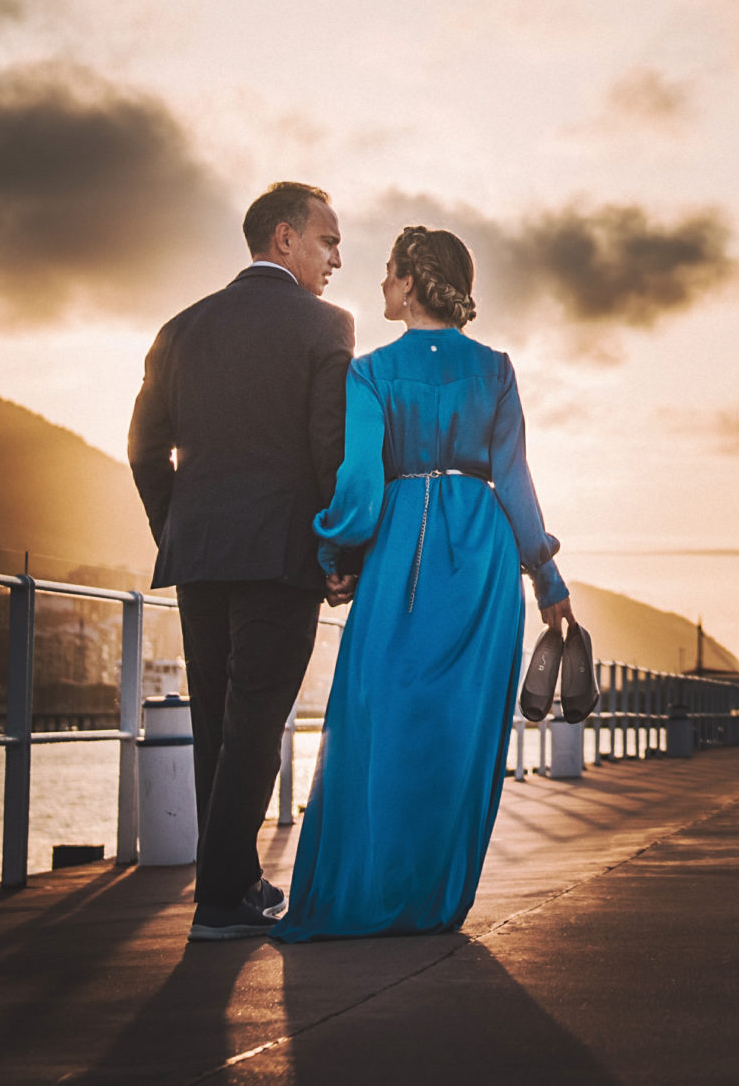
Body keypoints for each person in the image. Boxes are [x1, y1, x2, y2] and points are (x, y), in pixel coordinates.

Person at [275, 225, 570, 940]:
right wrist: (548, 578)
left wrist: (333, 554)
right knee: (458, 733)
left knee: (376, 717)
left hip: (403, 549)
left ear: (411, 282)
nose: (377, 283)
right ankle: (433, 900)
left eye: (386, 271)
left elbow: (359, 485)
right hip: (484, 555)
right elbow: (516, 479)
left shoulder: (370, 371)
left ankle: (373, 890)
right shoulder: (496, 368)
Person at [129, 181, 354, 942]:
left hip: (198, 554)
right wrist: (337, 549)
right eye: (328, 241)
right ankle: (221, 900)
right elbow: (329, 448)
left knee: (217, 723)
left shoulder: (181, 327)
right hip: (280, 550)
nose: (337, 258)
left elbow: (142, 448)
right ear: (285, 238)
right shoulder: (327, 325)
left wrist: (179, 526)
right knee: (257, 720)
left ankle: (236, 879)